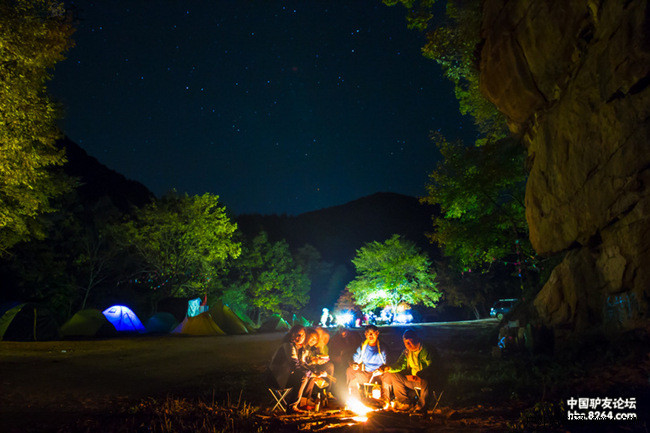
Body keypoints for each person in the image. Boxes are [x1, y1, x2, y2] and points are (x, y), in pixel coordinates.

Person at [381, 329, 437, 413]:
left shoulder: (426, 350)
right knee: (394, 375)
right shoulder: (407, 352)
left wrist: (422, 374)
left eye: (410, 342)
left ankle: (421, 407)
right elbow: (400, 364)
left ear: (416, 339)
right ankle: (404, 402)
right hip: (414, 380)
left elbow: (433, 366)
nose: (408, 345)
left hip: (427, 380)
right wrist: (388, 368)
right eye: (406, 343)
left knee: (425, 380)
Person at [267, 324, 310, 413]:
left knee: (309, 375)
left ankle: (304, 402)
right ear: (291, 335)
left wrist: (314, 372)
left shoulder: (299, 347)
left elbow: (302, 364)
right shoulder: (288, 345)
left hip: (284, 377)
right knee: (303, 376)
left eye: (301, 335)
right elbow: (295, 365)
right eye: (296, 335)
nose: (299, 337)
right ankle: (292, 407)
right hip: (276, 378)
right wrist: (311, 373)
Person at [346, 324, 387, 398]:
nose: (371, 335)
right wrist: (354, 364)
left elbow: (388, 364)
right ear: (365, 334)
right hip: (365, 374)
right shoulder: (363, 346)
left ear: (377, 333)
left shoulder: (382, 347)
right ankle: (354, 397)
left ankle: (385, 398)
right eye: (368, 333)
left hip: (379, 375)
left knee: (389, 375)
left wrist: (382, 370)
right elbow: (354, 359)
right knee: (350, 371)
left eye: (373, 333)